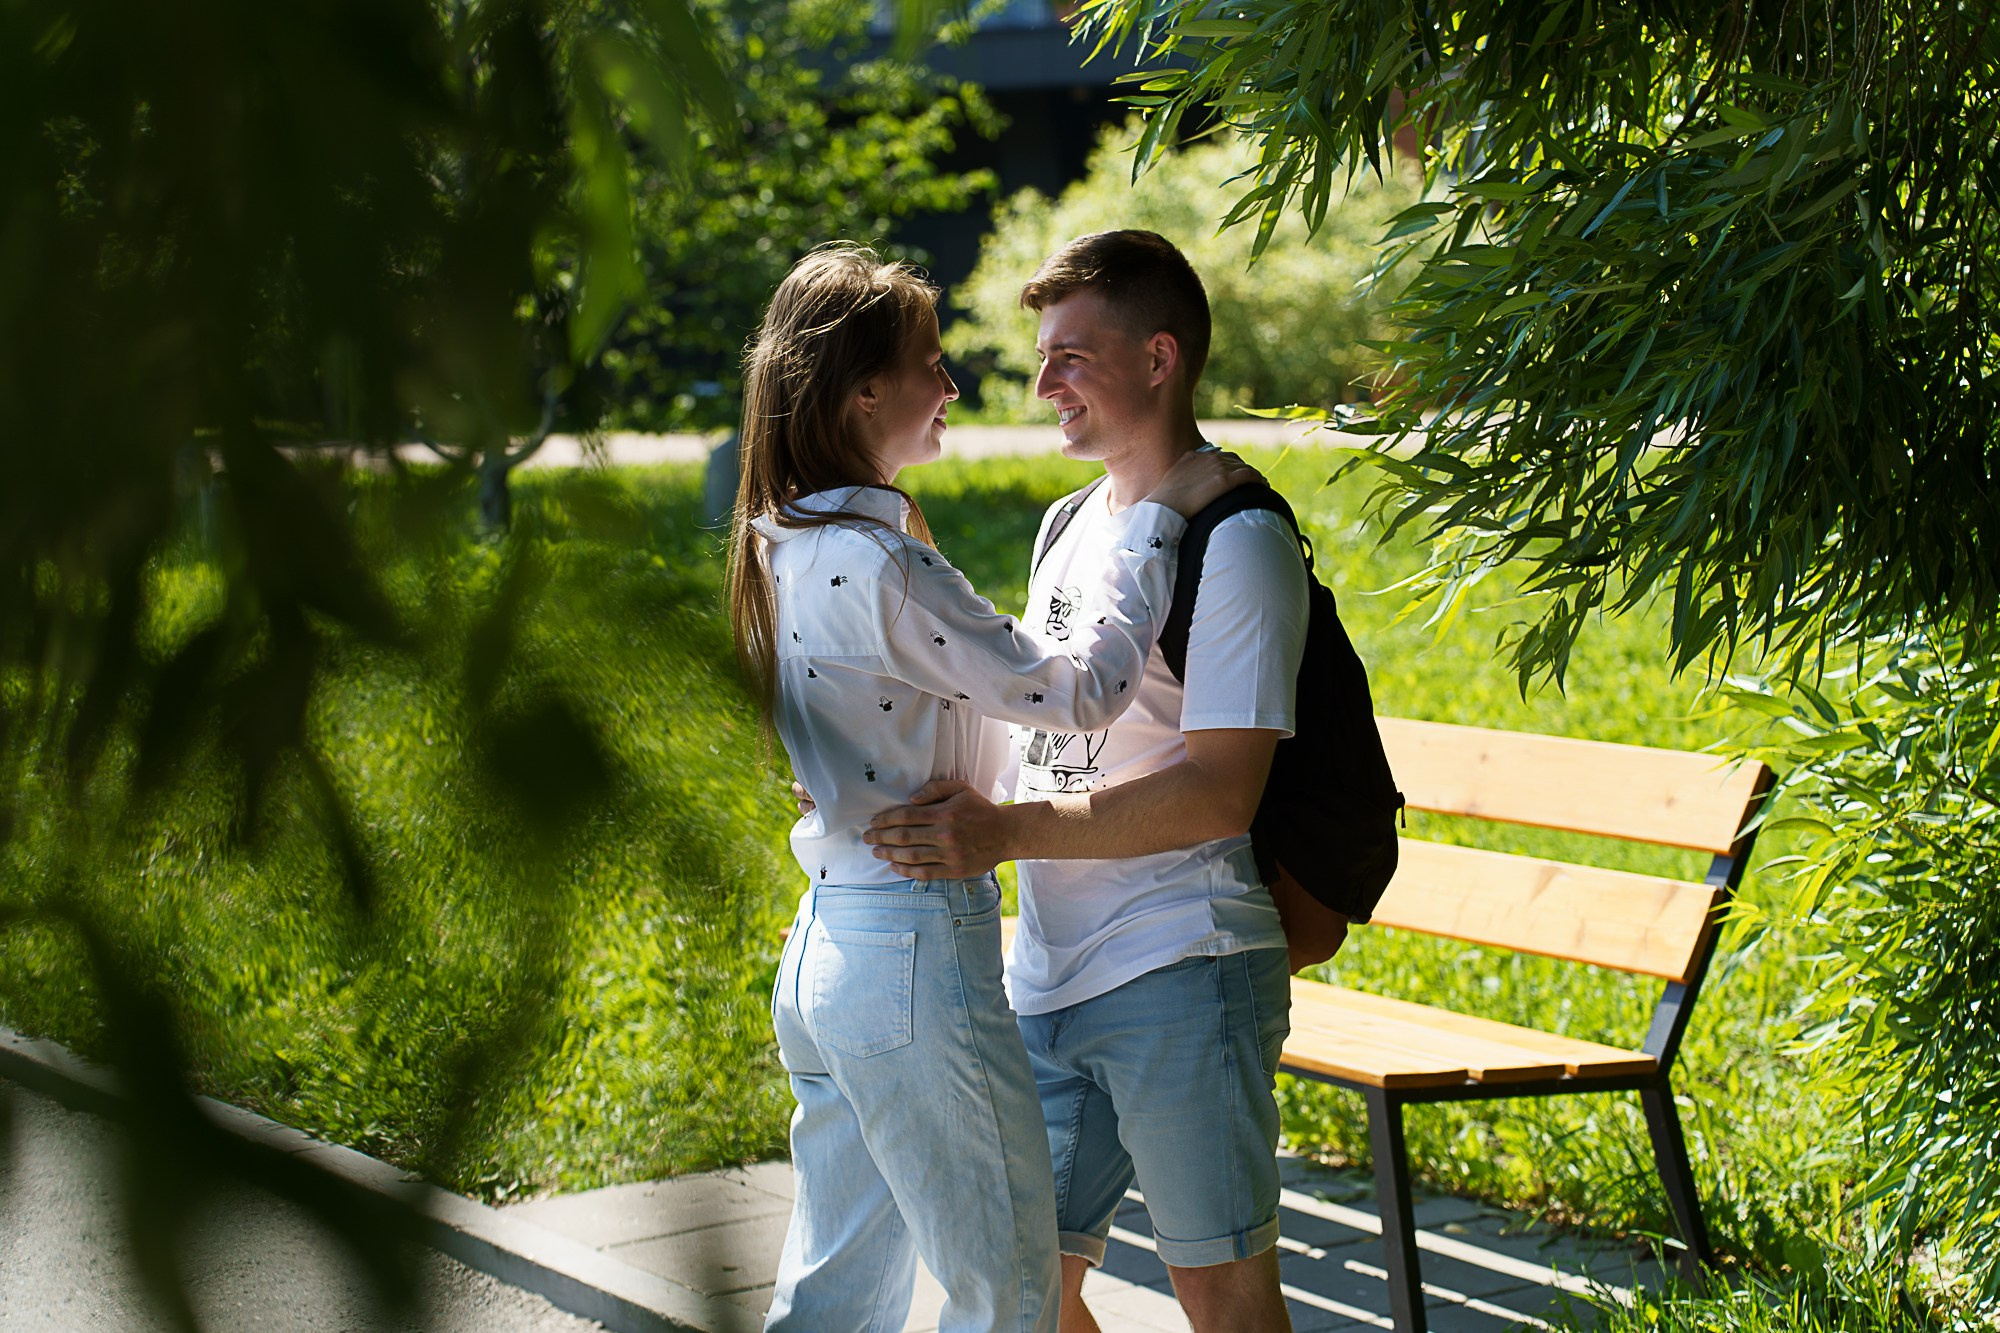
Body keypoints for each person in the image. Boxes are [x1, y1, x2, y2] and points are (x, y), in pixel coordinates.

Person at [728, 242, 1258, 1333]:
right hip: (911, 953)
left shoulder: (781, 540)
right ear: (861, 389)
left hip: (828, 946)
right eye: (931, 361)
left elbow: (908, 717)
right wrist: (1159, 520)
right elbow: (1074, 695)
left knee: (833, 1292)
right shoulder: (878, 562)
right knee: (1007, 1295)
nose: (956, 385)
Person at [863, 230, 1310, 1333]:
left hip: (1179, 964)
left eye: (1070, 355)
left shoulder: (1239, 539)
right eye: (1040, 354)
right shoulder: (1070, 524)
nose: (1040, 381)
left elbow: (1218, 794)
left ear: (1157, 360)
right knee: (1026, 1289)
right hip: (1045, 976)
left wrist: (1005, 832)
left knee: (1222, 1299)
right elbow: (1037, 716)